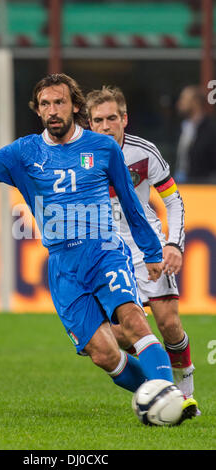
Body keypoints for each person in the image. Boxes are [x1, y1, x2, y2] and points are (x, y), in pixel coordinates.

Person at [0, 73, 197, 423]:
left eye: (59, 102)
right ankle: (159, 395)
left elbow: (132, 206)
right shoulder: (24, 152)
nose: (52, 110)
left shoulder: (102, 148)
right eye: (45, 104)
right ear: (38, 110)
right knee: (103, 353)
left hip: (105, 250)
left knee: (132, 319)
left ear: (75, 105)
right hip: (63, 265)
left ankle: (170, 400)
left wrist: (151, 252)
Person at [86, 85, 198, 406]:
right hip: (105, 254)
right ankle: (158, 387)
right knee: (106, 336)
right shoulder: (79, 155)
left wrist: (173, 245)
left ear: (124, 119)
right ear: (90, 124)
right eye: (98, 120)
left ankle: (183, 386)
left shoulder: (144, 153)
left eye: (112, 118)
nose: (105, 126)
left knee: (168, 323)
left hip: (144, 246)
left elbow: (173, 200)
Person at [175, 84, 216, 183]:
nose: (180, 103)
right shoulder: (184, 127)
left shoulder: (210, 130)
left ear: (195, 102)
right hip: (183, 185)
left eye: (184, 99)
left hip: (202, 187)